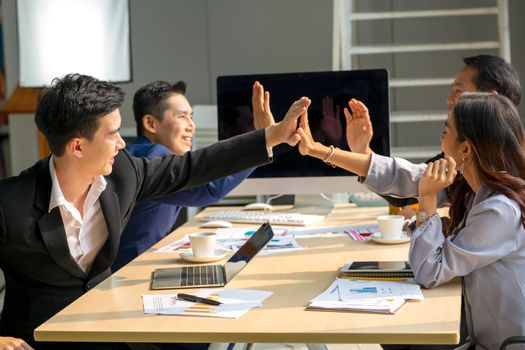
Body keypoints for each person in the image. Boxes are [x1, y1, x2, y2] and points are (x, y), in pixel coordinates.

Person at [0, 73, 311, 350]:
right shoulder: (10, 203)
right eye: (112, 135)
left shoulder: (122, 174)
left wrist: (271, 135)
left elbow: (193, 167)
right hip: (36, 341)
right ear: (77, 147)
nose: (122, 143)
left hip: (109, 330)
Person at [296, 93, 525, 349]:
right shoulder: (472, 186)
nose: (441, 137)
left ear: (466, 149)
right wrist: (317, 150)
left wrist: (427, 198)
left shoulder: (499, 211)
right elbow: (399, 174)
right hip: (481, 338)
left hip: (499, 345)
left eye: (445, 130)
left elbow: (429, 271)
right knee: (394, 338)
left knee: (396, 337)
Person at [112, 80, 273, 271]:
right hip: (129, 272)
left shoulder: (142, 153)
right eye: (182, 116)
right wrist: (264, 140)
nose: (191, 126)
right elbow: (210, 189)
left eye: (191, 117)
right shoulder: (152, 156)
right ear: (150, 123)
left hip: (137, 266)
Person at [345, 54, 521, 209]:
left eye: (459, 91)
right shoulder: (460, 159)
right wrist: (363, 151)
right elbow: (410, 182)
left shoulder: (502, 204)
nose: (449, 100)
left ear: (490, 99)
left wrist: (427, 211)